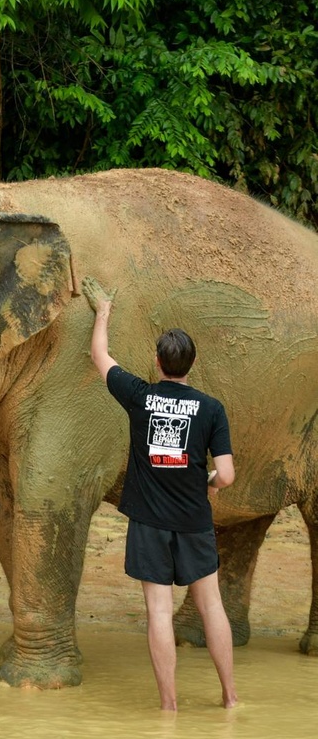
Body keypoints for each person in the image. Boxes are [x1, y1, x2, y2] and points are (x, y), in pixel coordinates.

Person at [84, 275, 237, 711]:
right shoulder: (211, 408)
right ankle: (229, 697)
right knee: (212, 609)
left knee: (159, 612)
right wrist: (205, 482)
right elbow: (225, 475)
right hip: (194, 521)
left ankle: (169, 706)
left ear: (157, 362)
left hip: (149, 523)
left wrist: (104, 312)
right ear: (191, 364)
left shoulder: (140, 396)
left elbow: (99, 355)